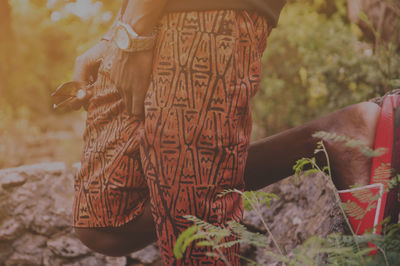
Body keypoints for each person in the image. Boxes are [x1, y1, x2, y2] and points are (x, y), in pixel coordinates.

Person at [62, 0, 395, 264]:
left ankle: (339, 137)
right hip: (150, 14)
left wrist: (134, 30)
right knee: (103, 222)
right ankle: (330, 138)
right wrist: (121, 29)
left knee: (197, 238)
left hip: (207, 15)